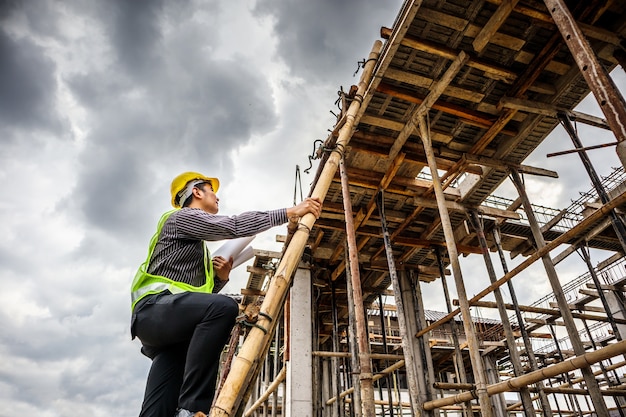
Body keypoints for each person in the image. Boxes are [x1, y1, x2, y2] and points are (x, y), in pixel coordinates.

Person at [130, 171, 322, 417]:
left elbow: (198, 299)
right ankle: (191, 409)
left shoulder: (196, 251)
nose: (216, 197)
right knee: (223, 308)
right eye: (212, 191)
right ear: (197, 192)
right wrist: (288, 212)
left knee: (158, 406)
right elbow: (233, 226)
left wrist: (221, 278)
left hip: (169, 332)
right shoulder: (181, 218)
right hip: (154, 310)